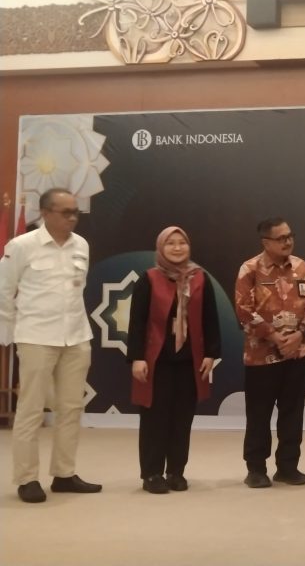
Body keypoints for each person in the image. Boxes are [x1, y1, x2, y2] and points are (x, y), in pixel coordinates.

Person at [0, 188, 102, 503]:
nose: (72, 218)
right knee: (31, 409)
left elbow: (77, 288)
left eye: (75, 212)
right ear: (45, 213)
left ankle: (64, 474)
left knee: (71, 408)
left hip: (76, 336)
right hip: (36, 337)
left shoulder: (81, 245)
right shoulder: (21, 246)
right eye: (65, 212)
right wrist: (9, 332)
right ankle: (27, 478)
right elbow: (4, 290)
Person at [126, 226, 221, 494]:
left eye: (182, 242)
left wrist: (211, 353)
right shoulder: (149, 278)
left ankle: (176, 471)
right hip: (156, 361)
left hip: (189, 361)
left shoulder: (200, 278)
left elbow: (211, 318)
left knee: (182, 419)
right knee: (155, 418)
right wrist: (137, 358)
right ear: (160, 248)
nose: (177, 248)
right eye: (171, 243)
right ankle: (152, 473)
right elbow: (137, 322)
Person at [235, 217, 305, 488]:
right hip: (260, 357)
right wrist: (273, 335)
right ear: (266, 242)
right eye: (281, 238)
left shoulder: (301, 266)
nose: (288, 241)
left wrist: (299, 334)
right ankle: (256, 469)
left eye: (290, 236)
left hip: (296, 353)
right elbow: (243, 310)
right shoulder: (250, 269)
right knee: (258, 415)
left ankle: (288, 467)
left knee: (292, 414)